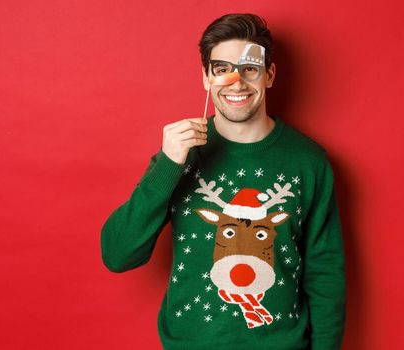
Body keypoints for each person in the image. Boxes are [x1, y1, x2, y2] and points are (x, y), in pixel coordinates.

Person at [100, 13, 346, 350]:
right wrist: (168, 165)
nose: (236, 82)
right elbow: (117, 255)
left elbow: (325, 272)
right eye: (222, 69)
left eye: (249, 69)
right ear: (206, 78)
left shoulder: (308, 162)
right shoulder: (178, 157)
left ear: (269, 75)